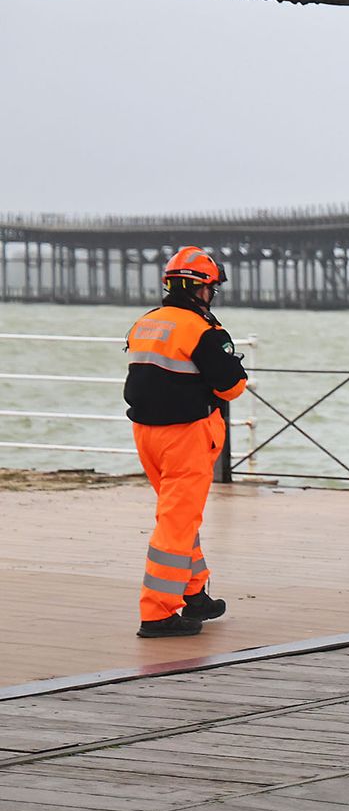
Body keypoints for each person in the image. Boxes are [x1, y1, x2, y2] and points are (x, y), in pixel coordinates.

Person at [124, 246, 249, 638]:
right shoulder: (204, 330)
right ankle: (157, 612)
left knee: (177, 515)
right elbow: (232, 388)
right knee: (178, 522)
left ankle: (195, 593)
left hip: (146, 434)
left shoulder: (146, 322)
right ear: (203, 289)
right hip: (187, 435)